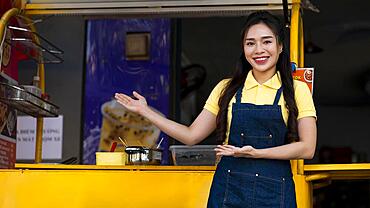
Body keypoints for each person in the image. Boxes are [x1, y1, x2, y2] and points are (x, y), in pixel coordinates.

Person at [115, 11, 316, 208]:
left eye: (267, 41)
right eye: (250, 43)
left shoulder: (296, 90)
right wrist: (145, 110)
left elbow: (307, 148)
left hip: (275, 192)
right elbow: (191, 136)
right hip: (228, 190)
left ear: (280, 46)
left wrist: (257, 153)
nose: (258, 50)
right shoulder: (226, 89)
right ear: (243, 49)